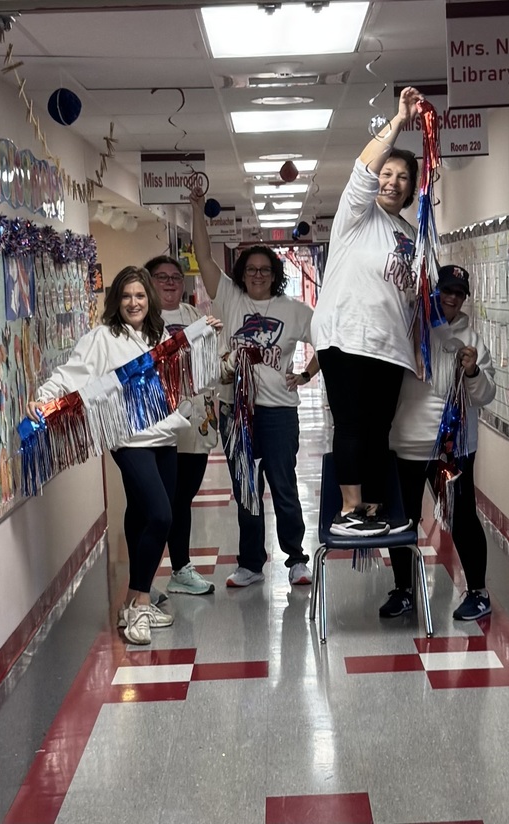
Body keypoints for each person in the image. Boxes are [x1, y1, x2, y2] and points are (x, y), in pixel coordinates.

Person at [27, 266, 197, 645]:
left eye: (139, 296)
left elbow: (182, 373)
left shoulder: (158, 335)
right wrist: (43, 396)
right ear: (116, 302)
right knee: (161, 515)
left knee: (140, 516)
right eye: (126, 296)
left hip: (165, 438)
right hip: (129, 439)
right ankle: (137, 602)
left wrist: (203, 337)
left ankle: (133, 602)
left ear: (148, 299)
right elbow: (72, 374)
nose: (133, 303)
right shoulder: (102, 337)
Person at [190, 187, 320, 589]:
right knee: (246, 488)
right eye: (251, 270)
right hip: (236, 412)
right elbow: (204, 255)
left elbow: (328, 344)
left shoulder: (294, 310)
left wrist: (307, 375)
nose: (258, 276)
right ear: (242, 273)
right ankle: (250, 563)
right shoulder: (228, 297)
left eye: (265, 270)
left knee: (283, 485)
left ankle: (296, 559)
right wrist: (197, 208)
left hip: (279, 411)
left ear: (275, 274)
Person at [310, 85, 424, 538]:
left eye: (403, 177)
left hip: (389, 344)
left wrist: (416, 348)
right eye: (388, 172)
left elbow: (413, 300)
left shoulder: (410, 234)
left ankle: (373, 508)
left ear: (412, 189)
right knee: (353, 423)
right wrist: (396, 124)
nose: (393, 181)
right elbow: (362, 167)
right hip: (347, 335)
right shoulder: (356, 215)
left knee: (379, 430)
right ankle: (349, 509)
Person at [381, 265, 497, 621]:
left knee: (462, 518)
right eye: (446, 290)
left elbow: (485, 395)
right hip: (406, 444)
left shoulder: (472, 338)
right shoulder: (408, 328)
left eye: (459, 293)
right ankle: (403, 590)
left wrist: (474, 371)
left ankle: (478, 591)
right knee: (403, 520)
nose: (452, 298)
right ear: (433, 292)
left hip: (453, 448)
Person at [144, 254, 219, 596]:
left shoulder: (195, 316)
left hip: (195, 423)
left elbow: (213, 362)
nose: (171, 282)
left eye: (176, 276)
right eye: (162, 277)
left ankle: (180, 569)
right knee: (157, 503)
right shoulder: (140, 321)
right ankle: (143, 581)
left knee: (183, 497)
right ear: (148, 281)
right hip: (156, 423)